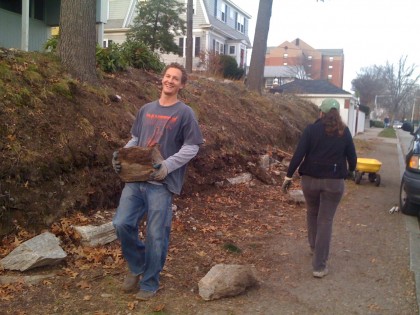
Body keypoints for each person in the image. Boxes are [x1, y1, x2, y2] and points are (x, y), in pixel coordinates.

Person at [112, 62, 203, 300]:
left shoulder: (185, 113)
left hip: (161, 184)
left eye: (175, 78)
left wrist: (167, 165)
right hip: (135, 179)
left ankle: (150, 282)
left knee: (156, 234)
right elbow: (136, 139)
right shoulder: (146, 109)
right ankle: (138, 264)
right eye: (167, 76)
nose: (169, 81)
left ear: (181, 85)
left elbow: (192, 146)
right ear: (162, 79)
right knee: (121, 223)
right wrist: (122, 154)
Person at [281, 98, 357, 278]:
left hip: (310, 181)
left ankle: (314, 247)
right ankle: (319, 266)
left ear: (321, 113)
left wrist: (288, 175)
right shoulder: (344, 132)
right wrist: (352, 171)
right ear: (337, 114)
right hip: (333, 183)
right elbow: (352, 157)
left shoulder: (311, 130)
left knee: (312, 212)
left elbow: (299, 154)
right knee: (325, 220)